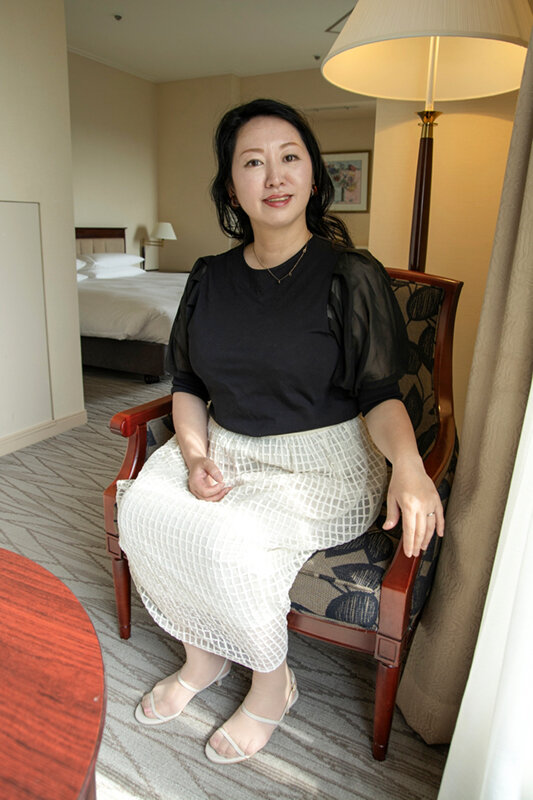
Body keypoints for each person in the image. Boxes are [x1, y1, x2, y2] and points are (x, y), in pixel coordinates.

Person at [117, 98, 444, 765]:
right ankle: (203, 657)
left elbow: (380, 395)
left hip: (322, 462)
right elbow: (188, 384)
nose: (274, 176)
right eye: (252, 162)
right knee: (144, 507)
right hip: (226, 445)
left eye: (289, 157)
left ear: (314, 177)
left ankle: (272, 685)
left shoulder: (350, 274)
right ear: (230, 188)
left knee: (232, 542)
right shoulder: (209, 277)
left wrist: (409, 465)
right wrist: (194, 455)